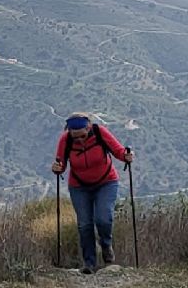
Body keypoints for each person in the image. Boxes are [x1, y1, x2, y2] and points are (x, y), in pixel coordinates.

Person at [50, 112, 131, 274]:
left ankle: (106, 245)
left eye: (82, 136)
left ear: (88, 127)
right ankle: (89, 263)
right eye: (75, 137)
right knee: (84, 225)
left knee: (104, 219)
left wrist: (127, 156)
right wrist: (57, 169)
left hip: (106, 182)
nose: (79, 140)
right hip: (79, 186)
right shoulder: (65, 140)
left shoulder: (100, 133)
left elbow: (118, 151)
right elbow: (61, 163)